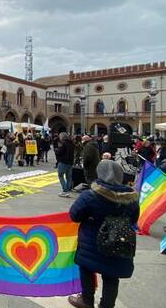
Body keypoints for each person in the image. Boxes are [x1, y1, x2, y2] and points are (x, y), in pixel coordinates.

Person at [68, 160, 139, 308]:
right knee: (112, 276)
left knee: (86, 268)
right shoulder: (131, 197)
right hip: (119, 242)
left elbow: (74, 215)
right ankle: (107, 305)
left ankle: (86, 300)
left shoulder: (90, 195)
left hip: (92, 242)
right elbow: (134, 219)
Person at [55, 132, 75, 197]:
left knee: (60, 175)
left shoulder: (63, 143)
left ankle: (65, 191)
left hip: (63, 162)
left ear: (62, 137)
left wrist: (56, 150)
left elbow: (60, 152)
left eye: (60, 136)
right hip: (70, 162)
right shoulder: (72, 143)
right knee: (69, 176)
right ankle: (68, 191)